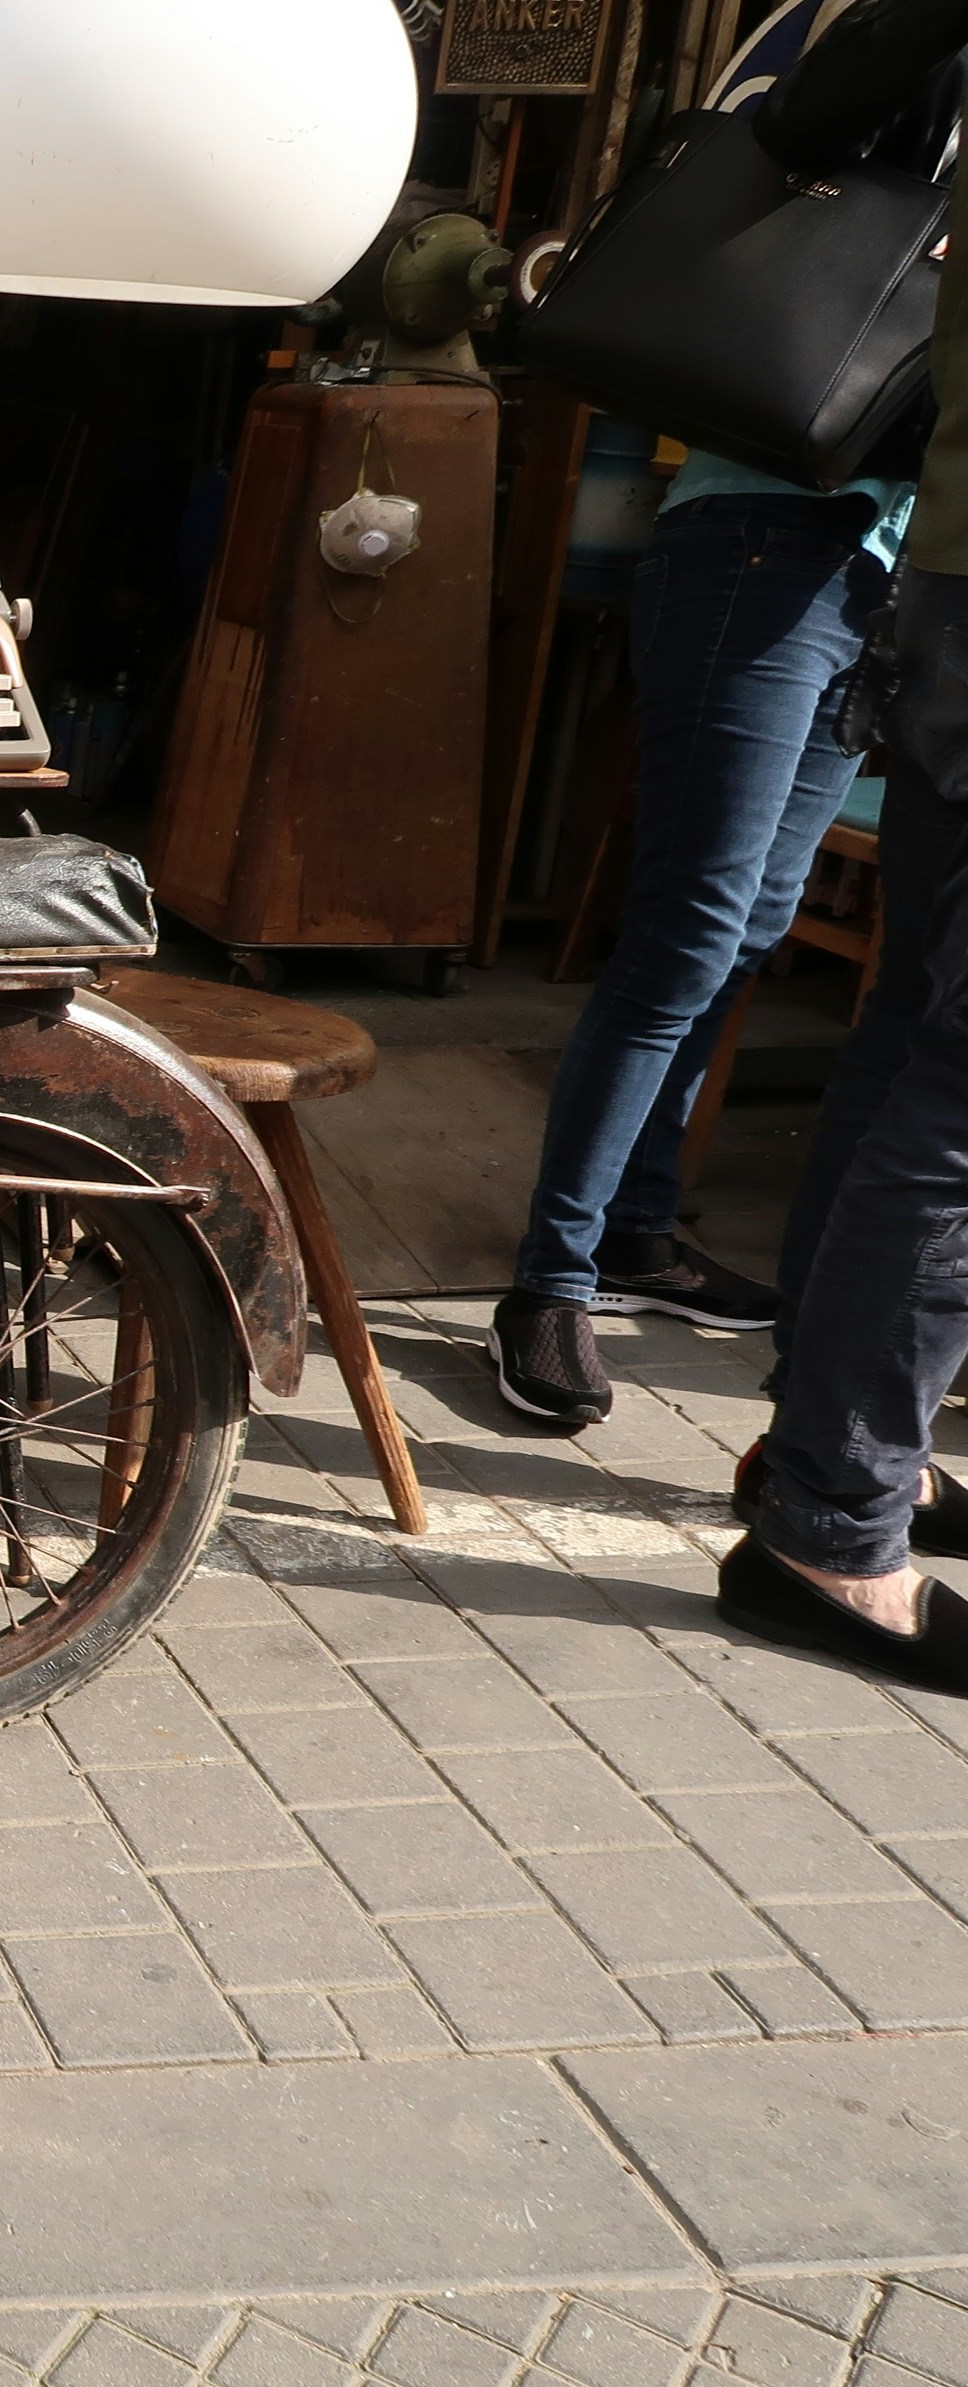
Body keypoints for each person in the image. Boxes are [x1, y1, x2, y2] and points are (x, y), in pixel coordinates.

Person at [489, 0, 937, 1427]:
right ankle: (547, 1285)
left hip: (866, 557)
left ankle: (634, 1232)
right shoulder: (846, 32)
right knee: (688, 927)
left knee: (741, 927)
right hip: (760, 541)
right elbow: (808, 126)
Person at [720, 0, 968, 1684]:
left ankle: (827, 1455)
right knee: (957, 1092)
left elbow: (829, 104)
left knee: (911, 1051)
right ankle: (826, 1518)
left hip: (955, 573)